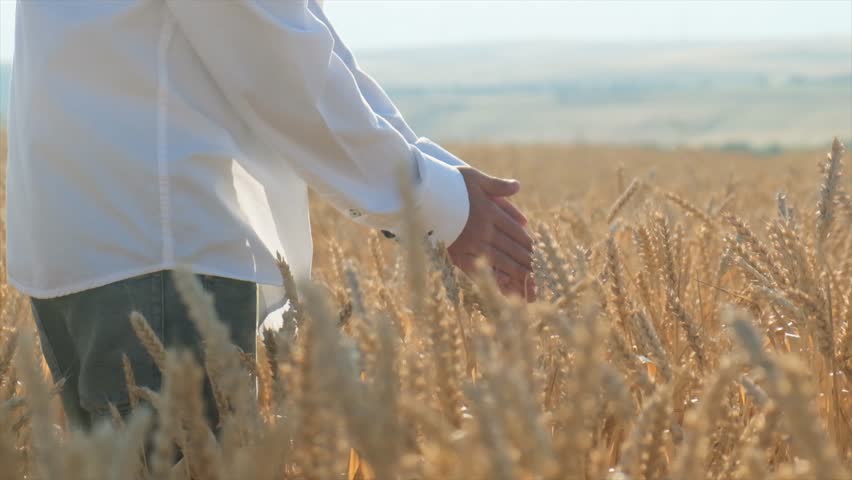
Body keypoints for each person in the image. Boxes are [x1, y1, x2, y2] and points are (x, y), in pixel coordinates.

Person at [5, 0, 534, 430]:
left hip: (86, 241)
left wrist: (428, 175)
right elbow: (278, 59)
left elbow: (297, 34)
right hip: (168, 250)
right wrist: (433, 203)